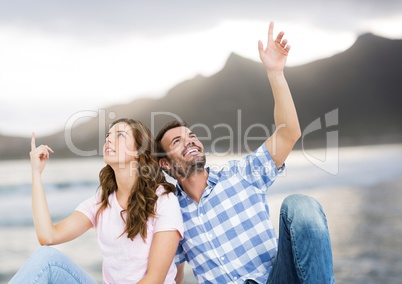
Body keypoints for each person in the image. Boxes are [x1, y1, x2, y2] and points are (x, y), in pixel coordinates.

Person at [155, 21, 334, 284]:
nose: (190, 141)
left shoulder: (241, 175)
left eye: (192, 136)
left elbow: (288, 133)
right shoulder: (171, 212)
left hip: (276, 279)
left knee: (300, 205)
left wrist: (275, 73)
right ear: (166, 165)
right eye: (177, 142)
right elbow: (171, 270)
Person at [10, 118, 184, 284]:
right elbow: (48, 236)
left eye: (120, 135)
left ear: (139, 151)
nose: (109, 140)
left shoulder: (163, 201)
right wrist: (36, 174)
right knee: (46, 258)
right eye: (108, 136)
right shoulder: (101, 202)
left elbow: (155, 279)